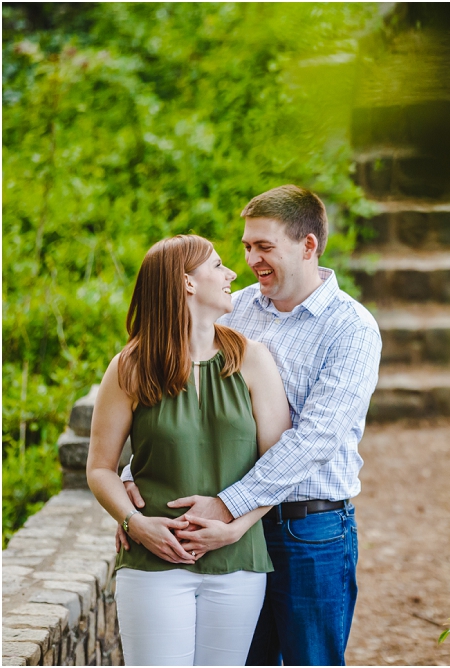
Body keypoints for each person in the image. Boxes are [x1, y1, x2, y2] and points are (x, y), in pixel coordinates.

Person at [119, 185, 383, 666]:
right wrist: (135, 485)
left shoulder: (352, 328)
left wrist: (228, 506)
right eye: (246, 246)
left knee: (311, 661)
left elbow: (314, 440)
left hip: (311, 530)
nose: (251, 259)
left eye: (265, 247)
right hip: (232, 537)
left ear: (308, 246)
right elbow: (167, 386)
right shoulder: (234, 308)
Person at [87, 235, 292, 665]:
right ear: (187, 283)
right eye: (218, 265)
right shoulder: (129, 367)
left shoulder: (253, 359)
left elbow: (279, 464)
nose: (232, 273)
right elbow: (100, 468)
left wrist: (236, 526)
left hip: (238, 561)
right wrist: (135, 522)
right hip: (153, 564)